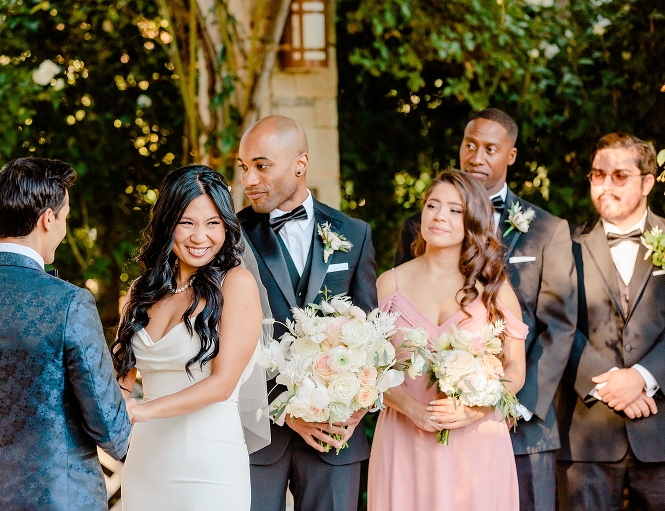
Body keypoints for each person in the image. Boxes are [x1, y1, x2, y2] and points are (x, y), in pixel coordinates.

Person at [394, 108, 577, 511]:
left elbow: (558, 327)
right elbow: (399, 324)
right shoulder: (418, 226)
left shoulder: (547, 229)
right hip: (431, 416)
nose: (476, 157)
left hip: (525, 420)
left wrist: (508, 402)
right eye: (470, 145)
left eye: (490, 149)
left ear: (511, 155)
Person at [0, 157, 131, 511]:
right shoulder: (70, 303)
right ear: (48, 219)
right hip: (63, 501)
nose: (64, 228)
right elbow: (111, 431)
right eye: (66, 217)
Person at [237, 115, 378, 511]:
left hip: (335, 433)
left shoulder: (354, 233)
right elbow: (221, 337)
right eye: (244, 167)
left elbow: (372, 332)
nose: (249, 180)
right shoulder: (231, 236)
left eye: (262, 166)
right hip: (258, 434)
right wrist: (283, 409)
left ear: (300, 164)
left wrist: (358, 403)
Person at [369, 169, 527, 510]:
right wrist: (412, 409)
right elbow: (371, 369)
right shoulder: (389, 284)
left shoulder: (495, 288)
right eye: (432, 205)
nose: (439, 216)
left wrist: (475, 410)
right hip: (404, 437)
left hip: (477, 441)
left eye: (455, 210)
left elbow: (515, 369)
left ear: (472, 221)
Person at [114, 165, 264, 511]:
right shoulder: (141, 290)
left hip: (209, 463)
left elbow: (222, 384)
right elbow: (120, 375)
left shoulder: (236, 284)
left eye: (212, 223)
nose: (200, 237)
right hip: (146, 462)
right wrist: (108, 409)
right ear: (168, 222)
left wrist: (143, 410)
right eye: (187, 222)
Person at [556, 133, 665, 511]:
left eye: (619, 176)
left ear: (647, 183)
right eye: (598, 175)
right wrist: (607, 383)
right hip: (587, 436)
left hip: (661, 428)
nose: (605, 185)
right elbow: (556, 323)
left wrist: (644, 377)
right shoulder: (564, 243)